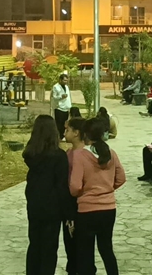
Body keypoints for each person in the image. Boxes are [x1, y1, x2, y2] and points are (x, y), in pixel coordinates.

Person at [70, 119, 126, 275]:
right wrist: (107, 189)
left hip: (87, 210)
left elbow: (75, 186)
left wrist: (84, 193)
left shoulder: (80, 155)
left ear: (85, 134)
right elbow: (121, 178)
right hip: (108, 208)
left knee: (85, 252)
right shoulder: (111, 153)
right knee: (106, 248)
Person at [23, 115, 72, 274]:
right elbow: (62, 186)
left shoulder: (31, 155)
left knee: (34, 245)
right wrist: (68, 213)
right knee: (49, 249)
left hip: (34, 206)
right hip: (53, 208)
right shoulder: (59, 156)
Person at [63, 117, 87, 275]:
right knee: (69, 242)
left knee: (80, 242)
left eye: (67, 130)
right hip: (69, 202)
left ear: (76, 133)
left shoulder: (84, 154)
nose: (64, 133)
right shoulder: (68, 153)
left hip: (80, 201)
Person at [52, 74, 72, 141]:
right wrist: (61, 96)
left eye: (66, 80)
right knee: (59, 123)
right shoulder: (56, 87)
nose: (66, 82)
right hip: (59, 107)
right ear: (60, 80)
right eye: (64, 80)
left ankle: (62, 136)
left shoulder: (66, 87)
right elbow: (54, 97)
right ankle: (59, 136)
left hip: (66, 107)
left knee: (64, 123)